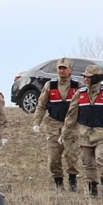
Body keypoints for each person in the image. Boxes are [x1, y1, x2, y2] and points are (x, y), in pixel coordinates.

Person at [63, 65, 103, 199]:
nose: (85, 79)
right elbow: (71, 115)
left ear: (96, 78)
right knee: (87, 162)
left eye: (88, 77)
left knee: (101, 158)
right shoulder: (80, 93)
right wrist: (65, 133)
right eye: (84, 77)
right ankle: (92, 187)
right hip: (84, 134)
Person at [31, 58, 81, 191]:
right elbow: (41, 105)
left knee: (72, 155)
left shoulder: (78, 86)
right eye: (60, 68)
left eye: (64, 68)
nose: (62, 70)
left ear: (70, 69)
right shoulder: (50, 85)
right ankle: (58, 181)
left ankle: (72, 180)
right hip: (53, 125)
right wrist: (37, 122)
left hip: (71, 126)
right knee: (54, 157)